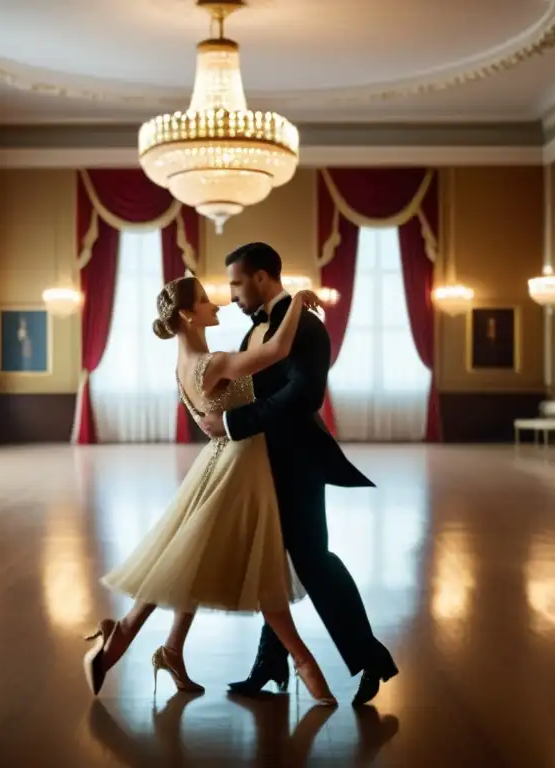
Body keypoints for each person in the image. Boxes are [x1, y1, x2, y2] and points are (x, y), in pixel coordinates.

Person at [83, 276, 337, 706]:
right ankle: (305, 664)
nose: (215, 302)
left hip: (219, 461)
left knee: (189, 557)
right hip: (238, 465)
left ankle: (154, 646)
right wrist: (297, 303)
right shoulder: (212, 362)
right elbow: (275, 352)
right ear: (187, 314)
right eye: (204, 300)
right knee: (256, 567)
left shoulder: (185, 364)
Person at [196, 242, 398, 707]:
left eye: (236, 283)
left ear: (262, 277)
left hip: (298, 460)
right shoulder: (260, 330)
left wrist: (231, 424)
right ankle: (270, 665)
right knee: (272, 562)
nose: (230, 295)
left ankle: (371, 658)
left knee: (312, 559)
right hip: (259, 461)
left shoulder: (306, 325)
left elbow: (304, 397)